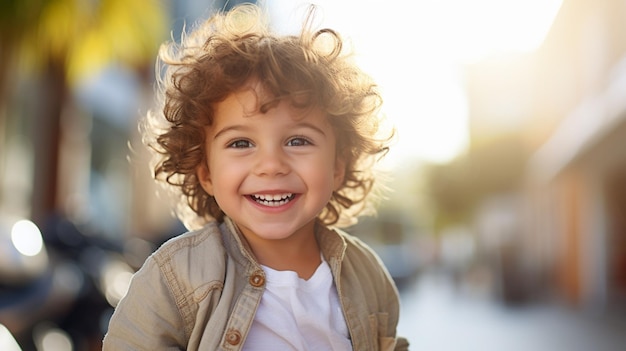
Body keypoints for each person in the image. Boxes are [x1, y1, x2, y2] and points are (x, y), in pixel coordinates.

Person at [103, 3, 408, 350]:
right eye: (241, 142)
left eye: (298, 140)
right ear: (205, 172)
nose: (271, 164)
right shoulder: (175, 279)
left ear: (338, 166)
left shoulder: (367, 276)